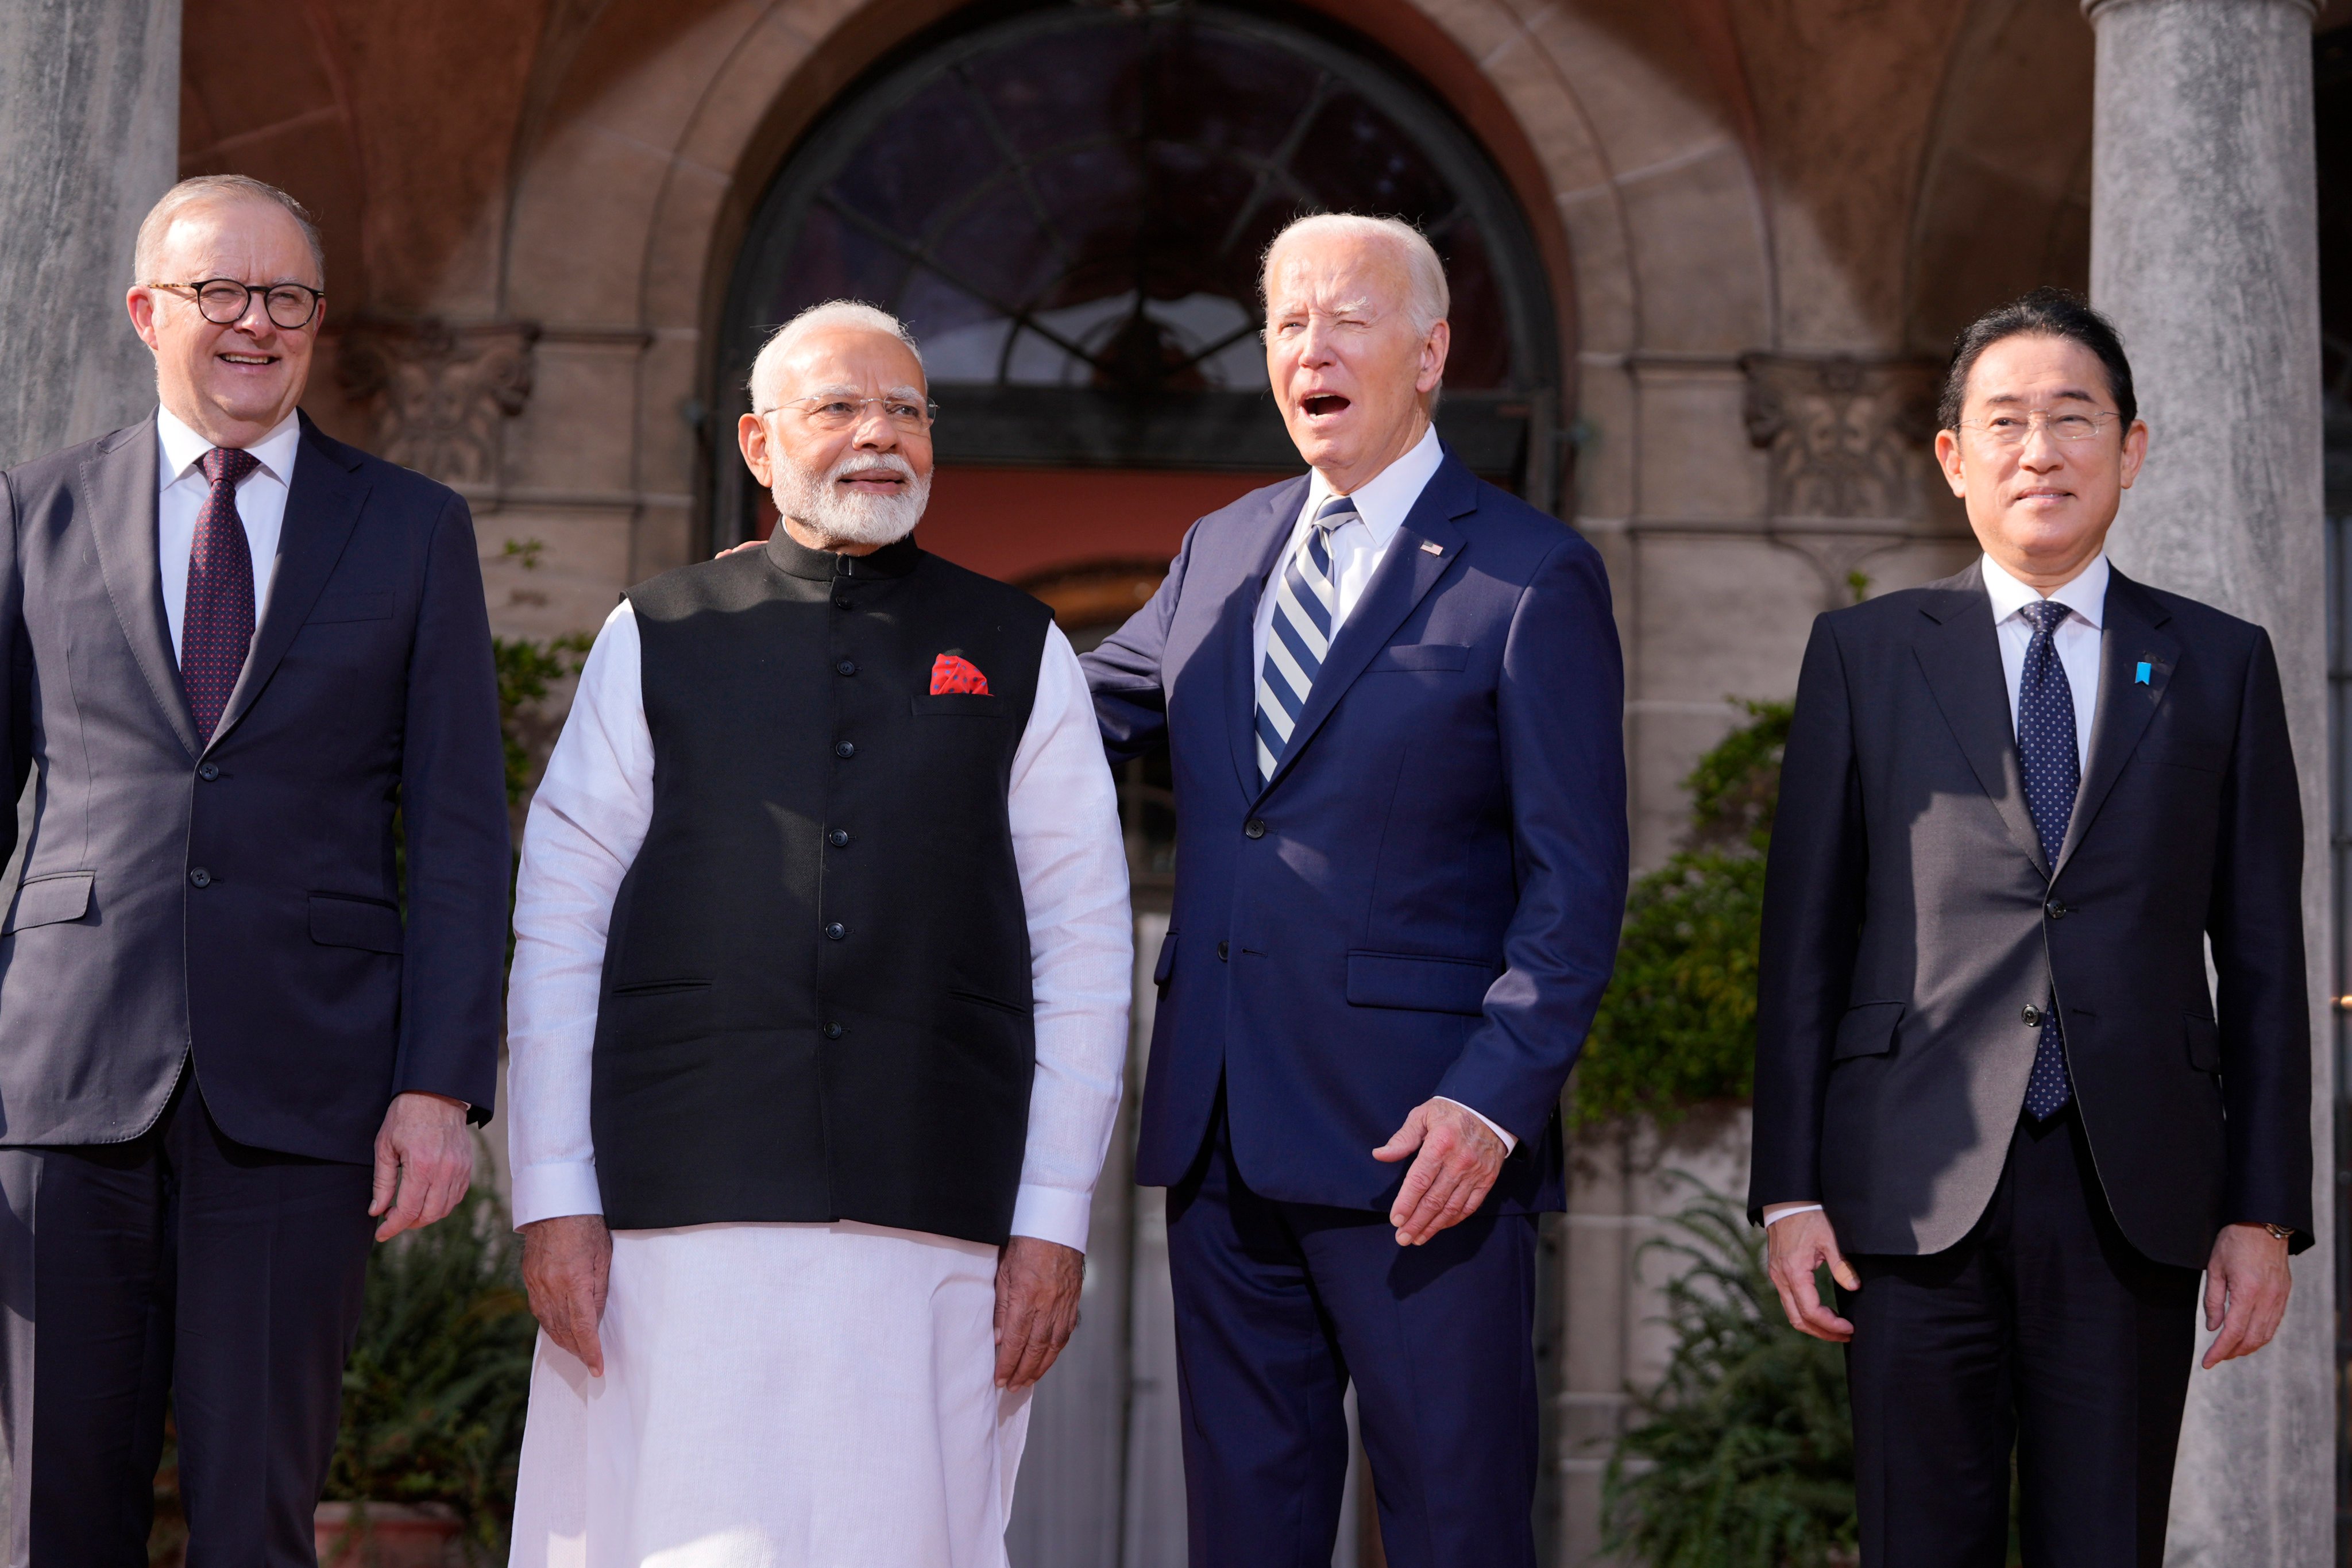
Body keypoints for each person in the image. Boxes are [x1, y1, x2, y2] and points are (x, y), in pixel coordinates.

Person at [503, 300, 1131, 1566]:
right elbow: (562, 918)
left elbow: (1085, 943)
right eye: (839, 407)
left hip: (931, 1211)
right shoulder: (658, 634)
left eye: (906, 409)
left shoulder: (1016, 648)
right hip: (671, 1216)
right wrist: (554, 1199)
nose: (879, 436)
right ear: (757, 442)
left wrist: (1053, 1222)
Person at [1080, 213, 1628, 1567]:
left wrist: (1490, 1105)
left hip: (1419, 1157)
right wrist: (855, 613)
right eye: (1282, 324)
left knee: (1451, 1527)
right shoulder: (1220, 546)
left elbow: (1576, 883)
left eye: (1345, 319)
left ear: (1430, 352)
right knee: (1244, 1534)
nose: (1306, 349)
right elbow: (1063, 714)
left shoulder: (1527, 573)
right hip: (1220, 1139)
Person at [1749, 287, 2310, 1566]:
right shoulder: (1863, 654)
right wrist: (1785, 1189)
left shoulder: (2218, 663)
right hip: (1908, 1182)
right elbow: (1804, 941)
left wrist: (2261, 1210)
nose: (2038, 451)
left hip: (2132, 1188)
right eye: (2003, 422)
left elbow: (2266, 961)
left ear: (2130, 448)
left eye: (2072, 419)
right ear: (1951, 458)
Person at [0, 175, 509, 1562]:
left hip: (304, 1099)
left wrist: (438, 1088)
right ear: (145, 311)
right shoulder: (31, 513)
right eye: (219, 291)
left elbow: (462, 829)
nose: (253, 324)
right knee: (49, 1515)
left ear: (318, 321)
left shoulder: (411, 528)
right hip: (60, 1085)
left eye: (285, 298)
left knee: (258, 1520)